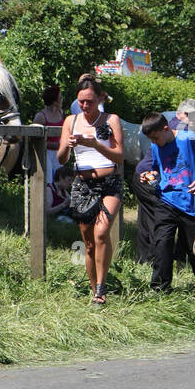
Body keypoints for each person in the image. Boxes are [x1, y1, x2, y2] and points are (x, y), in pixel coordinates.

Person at [58, 77, 124, 304]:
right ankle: (93, 287)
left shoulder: (111, 119)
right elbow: (61, 158)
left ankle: (101, 290)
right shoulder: (71, 121)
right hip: (82, 185)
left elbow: (120, 157)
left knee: (102, 233)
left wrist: (95, 144)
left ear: (100, 98)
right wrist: (68, 145)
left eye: (90, 102)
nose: (85, 106)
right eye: (81, 102)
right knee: (88, 243)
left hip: (109, 183)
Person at [142, 112, 195, 292]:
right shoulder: (155, 147)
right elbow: (155, 170)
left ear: (166, 129)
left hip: (190, 203)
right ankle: (160, 289)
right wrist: (149, 176)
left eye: (155, 137)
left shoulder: (188, 139)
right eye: (151, 140)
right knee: (162, 242)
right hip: (165, 200)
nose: (154, 142)